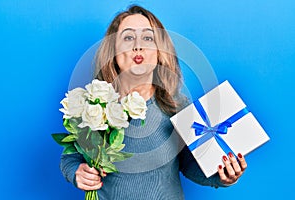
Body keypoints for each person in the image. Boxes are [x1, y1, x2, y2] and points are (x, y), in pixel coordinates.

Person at [60, 5, 247, 199]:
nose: (138, 46)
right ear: (113, 51)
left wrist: (221, 176)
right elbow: (71, 157)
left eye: (148, 38)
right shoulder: (93, 106)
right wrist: (77, 172)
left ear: (159, 51)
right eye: (128, 38)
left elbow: (189, 164)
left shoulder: (178, 107)